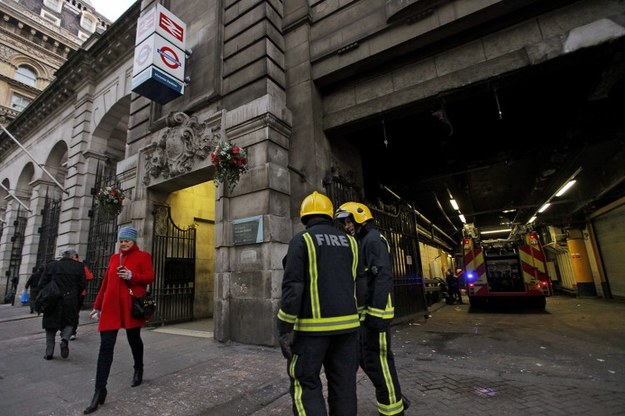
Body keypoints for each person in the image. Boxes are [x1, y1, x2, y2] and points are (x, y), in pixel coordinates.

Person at [277, 191, 365, 415]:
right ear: (330, 216)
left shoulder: (301, 241)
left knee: (305, 383)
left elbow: (293, 288)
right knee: (344, 386)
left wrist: (285, 328)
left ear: (304, 217)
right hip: (347, 331)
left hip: (311, 332)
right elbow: (360, 286)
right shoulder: (352, 243)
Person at [335, 201, 410, 416]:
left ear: (360, 217)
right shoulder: (359, 241)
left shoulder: (374, 239)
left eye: (349, 221)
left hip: (376, 314)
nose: (347, 226)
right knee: (366, 359)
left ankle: (394, 410)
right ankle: (395, 396)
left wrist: (376, 315)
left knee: (379, 361)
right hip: (365, 315)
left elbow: (382, 277)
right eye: (345, 223)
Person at [84, 225, 154, 414]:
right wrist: (97, 306)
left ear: (134, 241)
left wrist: (132, 276)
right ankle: (99, 390)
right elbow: (105, 283)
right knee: (106, 347)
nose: (123, 244)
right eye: (121, 240)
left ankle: (138, 368)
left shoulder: (143, 256)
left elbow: (150, 277)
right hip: (111, 308)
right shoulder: (114, 258)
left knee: (134, 340)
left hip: (130, 307)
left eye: (127, 240)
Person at [38, 248, 87, 360]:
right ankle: (65, 340)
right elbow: (82, 284)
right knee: (69, 322)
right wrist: (74, 294)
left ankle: (49, 352)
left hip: (52, 299)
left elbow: (42, 283)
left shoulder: (51, 266)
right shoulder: (79, 267)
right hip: (70, 299)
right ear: (73, 256)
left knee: (50, 326)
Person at [71, 254, 94, 340]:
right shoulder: (82, 266)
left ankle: (65, 331)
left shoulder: (64, 265)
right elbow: (90, 277)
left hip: (67, 293)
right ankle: (72, 332)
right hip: (80, 293)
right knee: (75, 312)